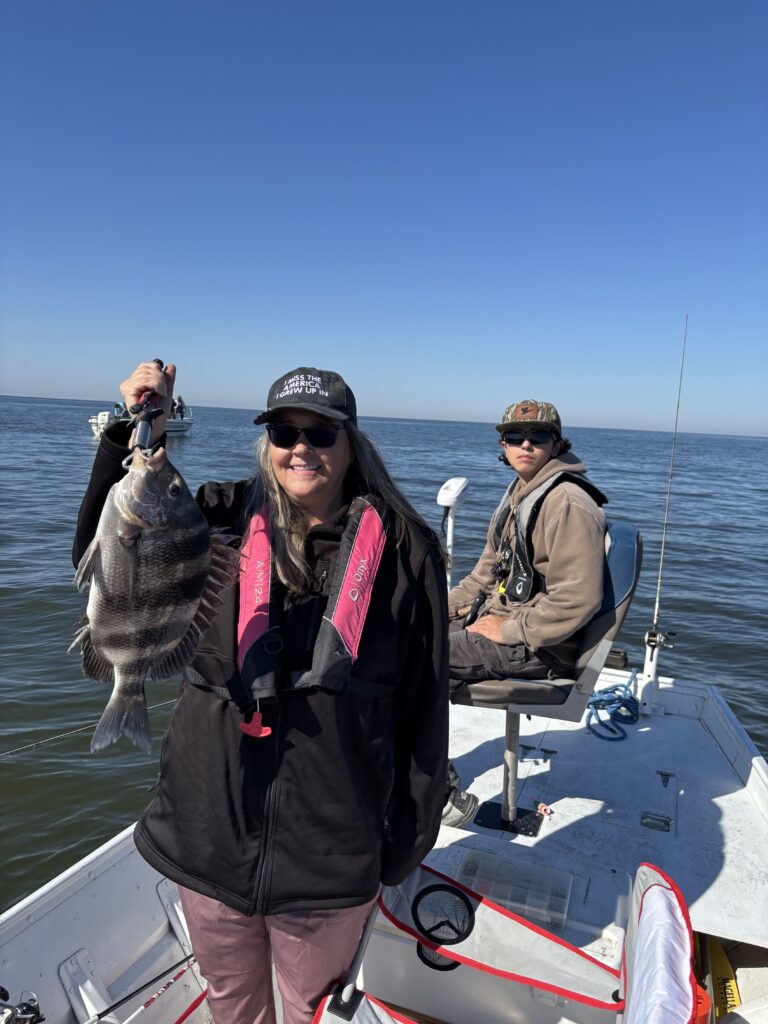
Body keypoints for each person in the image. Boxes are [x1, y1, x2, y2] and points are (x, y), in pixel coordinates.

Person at [73, 362, 449, 1024]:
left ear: (351, 442)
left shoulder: (407, 549)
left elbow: (425, 705)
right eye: (283, 431)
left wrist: (405, 843)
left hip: (331, 852)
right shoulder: (215, 515)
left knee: (313, 1011)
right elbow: (105, 554)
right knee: (232, 1006)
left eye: (321, 433)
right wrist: (133, 430)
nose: (300, 447)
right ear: (266, 441)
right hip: (210, 832)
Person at [441, 399, 607, 827]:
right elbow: (484, 575)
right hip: (505, 618)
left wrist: (507, 629)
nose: (526, 444)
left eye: (539, 437)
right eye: (516, 437)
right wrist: (434, 610)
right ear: (503, 443)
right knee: (402, 637)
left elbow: (577, 599)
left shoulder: (567, 502)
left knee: (416, 662)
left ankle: (435, 791)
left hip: (540, 644)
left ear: (557, 442)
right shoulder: (521, 492)